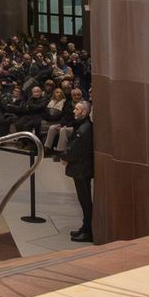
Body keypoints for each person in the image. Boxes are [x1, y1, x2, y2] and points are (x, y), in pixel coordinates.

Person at [63, 100, 94, 242]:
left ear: (84, 112)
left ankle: (88, 231)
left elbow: (75, 148)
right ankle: (84, 227)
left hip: (82, 169)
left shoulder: (84, 129)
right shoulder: (83, 126)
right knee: (83, 200)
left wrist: (65, 157)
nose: (74, 111)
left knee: (85, 201)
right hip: (81, 168)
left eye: (77, 109)